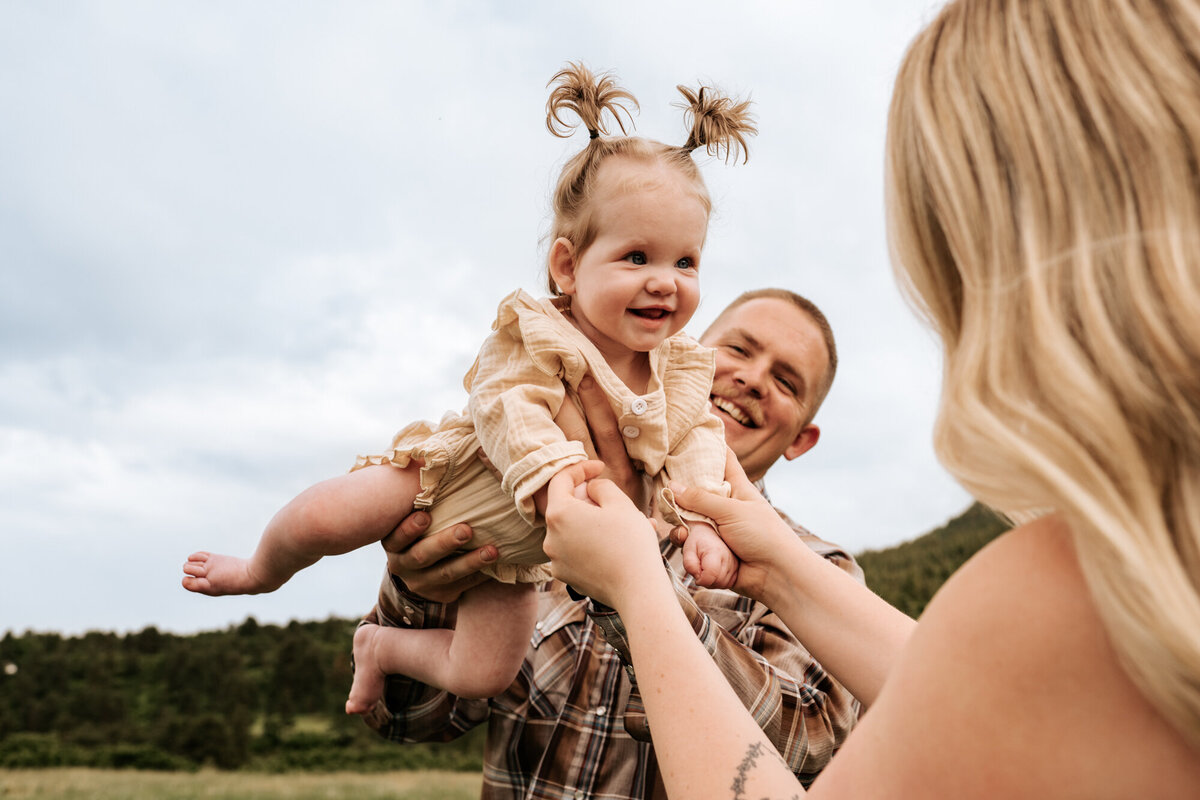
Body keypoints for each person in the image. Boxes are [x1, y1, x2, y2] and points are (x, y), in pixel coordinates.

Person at [541, 0, 1200, 796]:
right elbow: (962, 686)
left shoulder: (1065, 581)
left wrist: (641, 589)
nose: (750, 380)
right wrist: (773, 563)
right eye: (737, 351)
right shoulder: (1128, 572)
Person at [181, 62, 752, 712]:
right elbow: (503, 400)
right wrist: (554, 470)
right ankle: (261, 568)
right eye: (637, 257)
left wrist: (701, 520)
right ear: (567, 266)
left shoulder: (677, 373)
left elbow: (697, 445)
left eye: (686, 262)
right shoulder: (542, 331)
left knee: (484, 673)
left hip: (521, 553)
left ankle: (380, 648)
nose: (665, 281)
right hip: (460, 483)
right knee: (326, 515)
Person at [364, 287, 864, 796]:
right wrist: (421, 587)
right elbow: (405, 718)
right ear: (676, 355)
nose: (753, 379)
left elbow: (808, 748)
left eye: (785, 381)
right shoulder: (536, 508)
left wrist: (629, 578)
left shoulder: (821, 572)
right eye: (738, 350)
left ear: (801, 439)